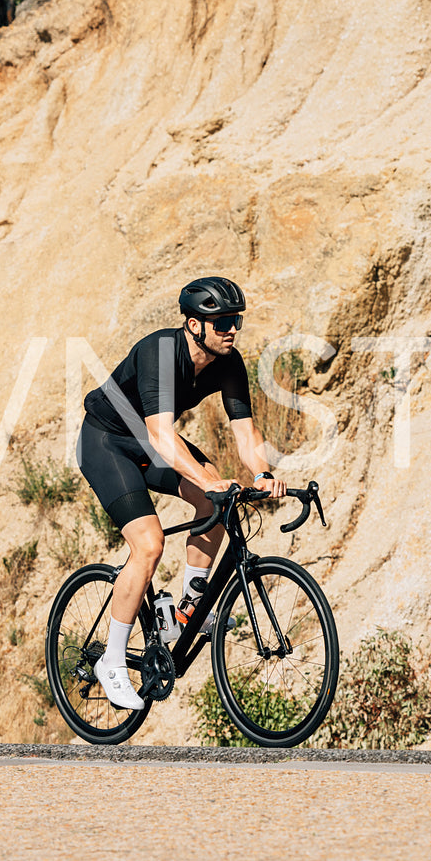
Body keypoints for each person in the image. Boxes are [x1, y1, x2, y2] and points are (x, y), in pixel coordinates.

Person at [76, 277, 287, 710]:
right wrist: (209, 478)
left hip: (148, 443)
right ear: (193, 325)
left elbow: (245, 433)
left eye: (237, 321)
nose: (232, 329)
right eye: (223, 321)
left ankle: (188, 608)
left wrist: (263, 472)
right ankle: (112, 661)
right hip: (107, 441)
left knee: (215, 503)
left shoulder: (229, 362)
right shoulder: (159, 352)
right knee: (149, 544)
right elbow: (161, 436)